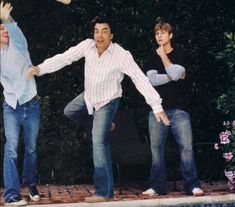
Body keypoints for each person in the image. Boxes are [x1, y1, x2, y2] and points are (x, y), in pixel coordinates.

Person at [27, 17, 170, 203]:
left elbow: (139, 79)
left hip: (109, 100)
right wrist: (40, 69)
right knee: (69, 111)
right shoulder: (87, 46)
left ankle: (104, 192)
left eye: (104, 31)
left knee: (98, 140)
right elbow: (65, 57)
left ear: (112, 35)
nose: (99, 35)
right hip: (89, 97)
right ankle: (102, 125)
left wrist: (156, 105)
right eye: (96, 31)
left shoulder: (122, 55)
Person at [142, 22, 204, 197]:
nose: (159, 37)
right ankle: (156, 186)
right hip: (157, 110)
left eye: (163, 33)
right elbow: (152, 80)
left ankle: (192, 185)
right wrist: (172, 75)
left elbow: (179, 74)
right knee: (156, 149)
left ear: (171, 36)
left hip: (179, 109)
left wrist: (164, 57)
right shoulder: (151, 57)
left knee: (186, 147)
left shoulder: (180, 54)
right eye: (157, 34)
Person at [0, 1, 40, 206]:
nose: (4, 30)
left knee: (32, 149)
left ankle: (31, 183)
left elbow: (14, 30)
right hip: (11, 107)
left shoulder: (20, 45)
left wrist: (6, 18)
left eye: (5, 27)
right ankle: (12, 195)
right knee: (11, 149)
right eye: (0, 28)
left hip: (31, 103)